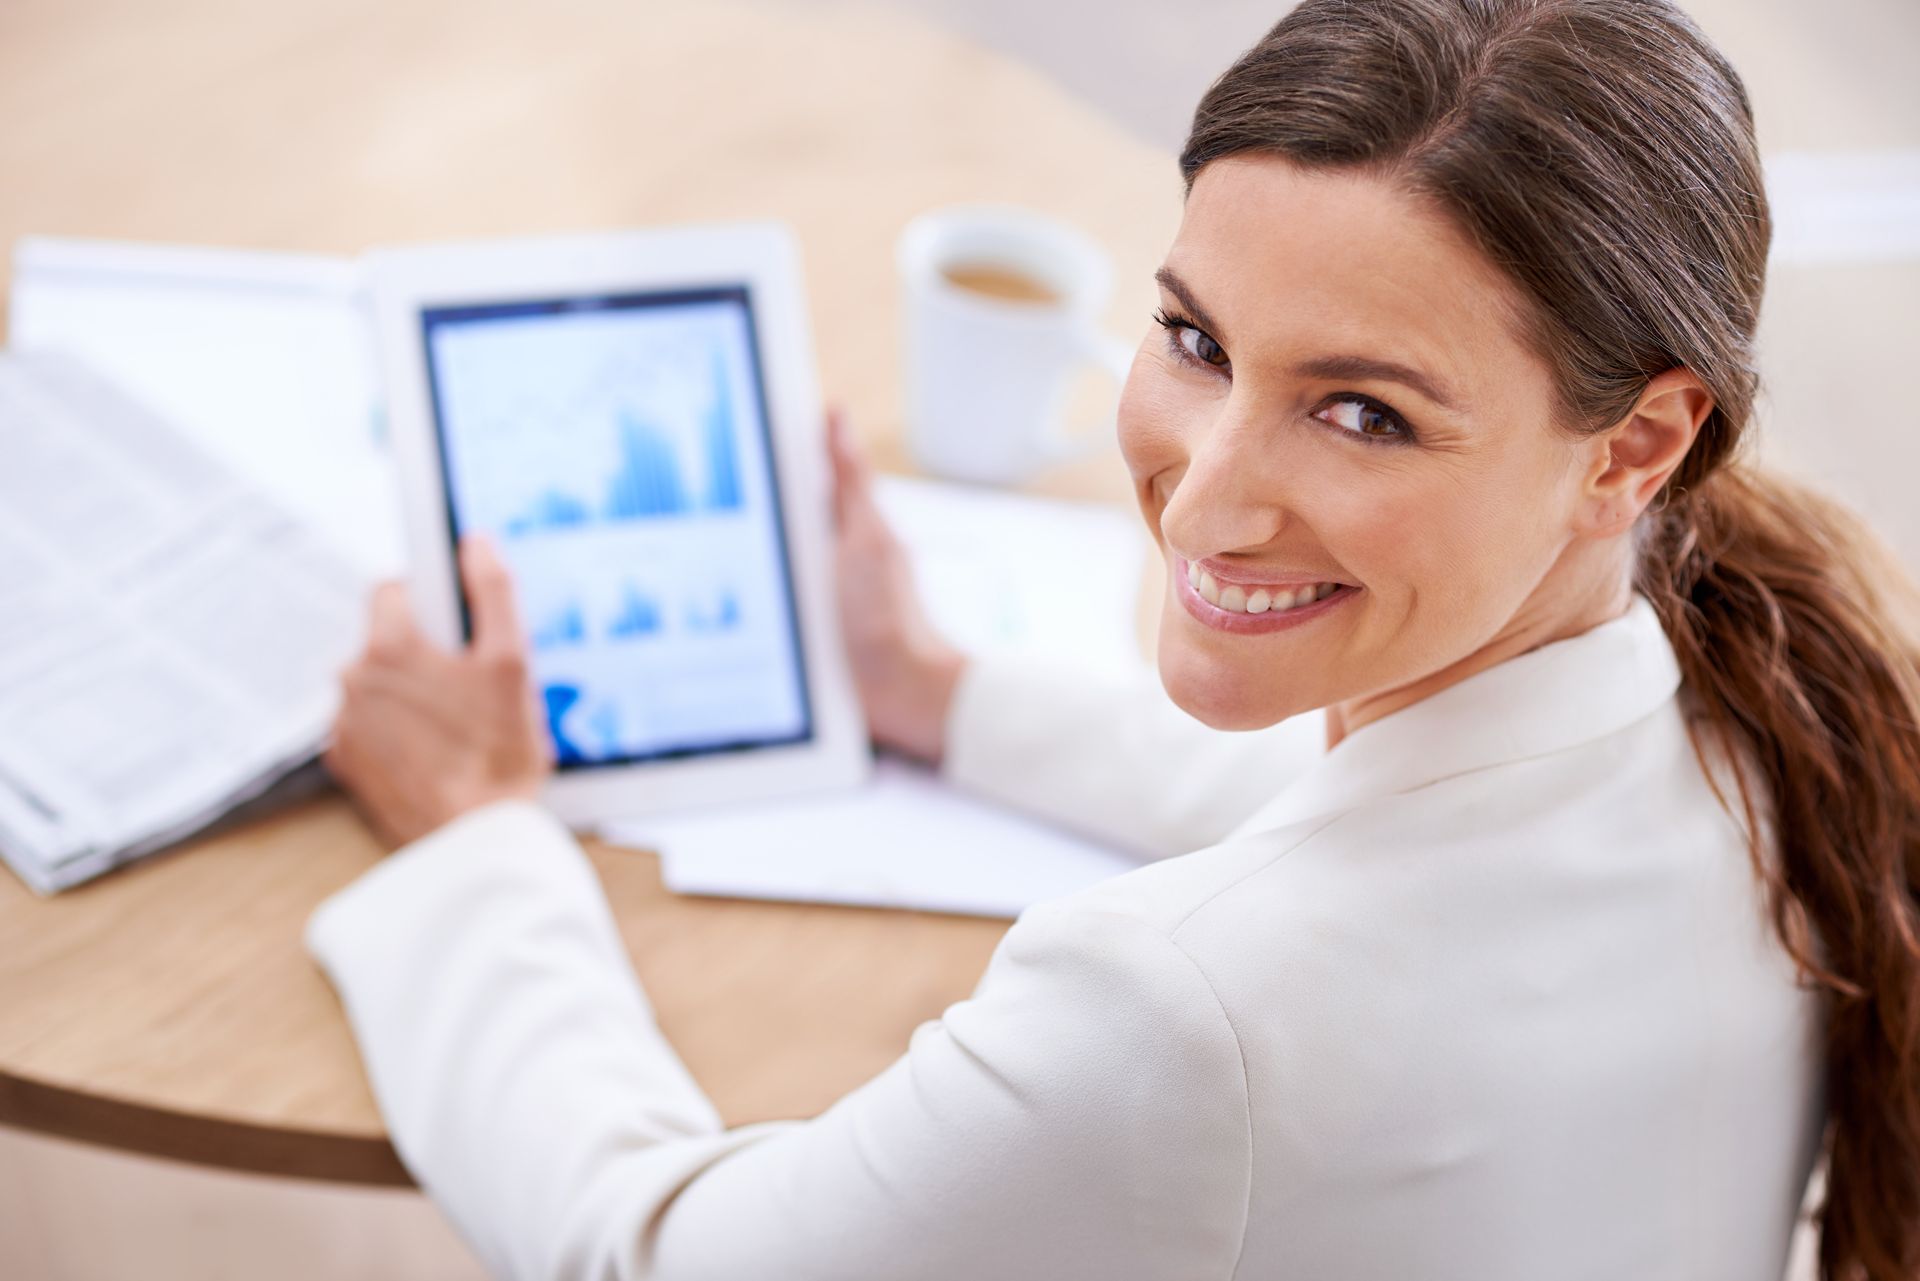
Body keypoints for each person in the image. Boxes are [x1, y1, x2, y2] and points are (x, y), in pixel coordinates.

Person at [307, 0, 1920, 1277]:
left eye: (1361, 412)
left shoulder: (1174, 1017)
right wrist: (938, 691)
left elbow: (654, 1251)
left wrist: (479, 836)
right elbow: (1386, 858)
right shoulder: (1753, 738)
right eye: (1196, 340)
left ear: (1634, 450)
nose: (1203, 506)